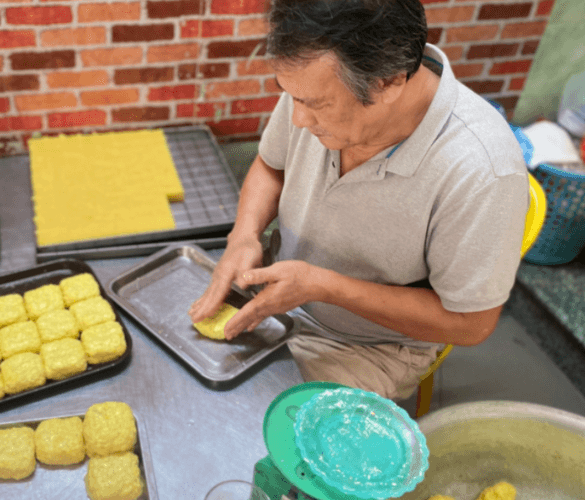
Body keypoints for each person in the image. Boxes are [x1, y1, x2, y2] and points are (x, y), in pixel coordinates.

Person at [189, 0, 529, 401]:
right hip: (277, 294)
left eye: (315, 105)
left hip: (368, 345)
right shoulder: (313, 82)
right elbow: (270, 165)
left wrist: (324, 287)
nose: (297, 119)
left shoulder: (482, 170)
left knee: (262, 440)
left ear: (389, 81)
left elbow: (471, 324)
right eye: (290, 97)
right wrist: (243, 237)